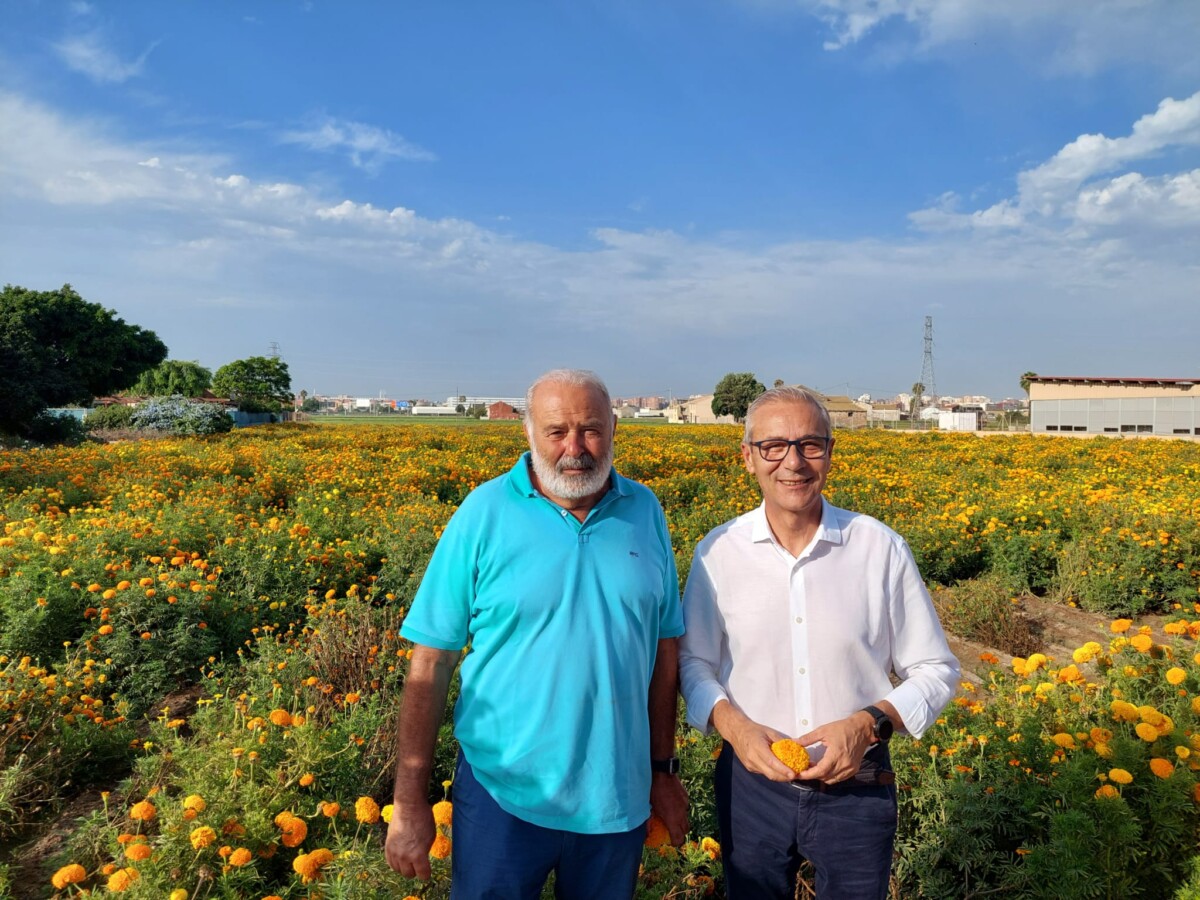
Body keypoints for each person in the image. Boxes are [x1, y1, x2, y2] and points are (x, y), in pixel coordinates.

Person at [385, 368, 688, 899]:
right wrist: (410, 803)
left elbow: (665, 652)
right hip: (501, 796)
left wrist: (663, 769)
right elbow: (430, 663)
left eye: (591, 429)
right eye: (556, 431)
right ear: (528, 432)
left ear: (614, 428)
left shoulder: (645, 511)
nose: (575, 447)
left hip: (614, 799)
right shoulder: (483, 513)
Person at [679, 386, 960, 899]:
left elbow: (936, 668)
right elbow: (694, 661)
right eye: (773, 446)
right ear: (748, 458)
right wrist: (735, 728)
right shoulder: (718, 552)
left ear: (830, 453)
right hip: (751, 784)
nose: (793, 462)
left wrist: (868, 724)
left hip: (858, 784)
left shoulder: (879, 547)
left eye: (810, 444)